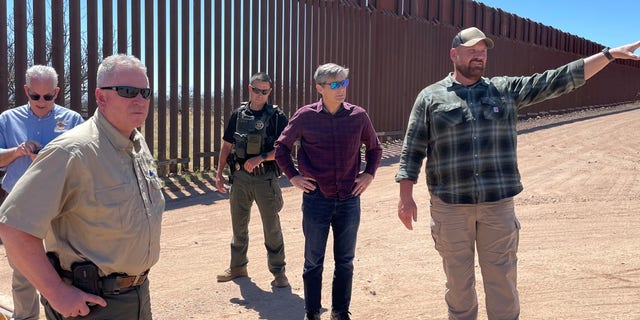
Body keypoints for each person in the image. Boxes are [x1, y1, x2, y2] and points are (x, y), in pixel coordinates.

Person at [396, 27, 640, 320]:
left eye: (483, 51)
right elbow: (412, 149)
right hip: (450, 207)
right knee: (458, 284)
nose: (479, 56)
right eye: (472, 50)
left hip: (497, 206)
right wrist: (405, 197)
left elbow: (558, 79)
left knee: (502, 280)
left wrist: (608, 55)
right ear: (454, 54)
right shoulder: (430, 97)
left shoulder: (504, 90)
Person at [0, 54, 164, 319]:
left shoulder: (137, 144)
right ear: (100, 97)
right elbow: (13, 227)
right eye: (127, 91)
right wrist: (56, 293)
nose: (139, 100)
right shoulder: (72, 151)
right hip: (89, 305)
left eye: (145, 92)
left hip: (136, 295)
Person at [275, 63, 383, 320]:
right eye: (334, 84)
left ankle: (340, 311)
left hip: (348, 199)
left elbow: (375, 148)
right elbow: (281, 148)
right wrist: (294, 176)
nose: (341, 89)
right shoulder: (305, 116)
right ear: (319, 88)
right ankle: (312, 312)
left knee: (345, 261)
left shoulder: (358, 116)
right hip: (316, 200)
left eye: (344, 83)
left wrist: (368, 174)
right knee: (313, 261)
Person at [0, 65, 84, 320]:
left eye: (48, 96)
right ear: (26, 90)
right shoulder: (7, 119)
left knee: (63, 266)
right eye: (35, 96)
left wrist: (52, 155)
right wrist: (18, 151)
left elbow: (84, 161)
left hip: (61, 206)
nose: (41, 101)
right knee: (23, 269)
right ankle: (26, 318)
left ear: (57, 92)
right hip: (20, 206)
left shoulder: (73, 121)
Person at [215, 72, 290, 288]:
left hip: (265, 179)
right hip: (239, 178)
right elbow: (227, 145)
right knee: (238, 224)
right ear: (250, 89)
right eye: (256, 90)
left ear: (270, 92)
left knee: (271, 226)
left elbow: (284, 150)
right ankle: (238, 267)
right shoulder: (238, 114)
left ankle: (278, 272)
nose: (259, 95)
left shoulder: (277, 117)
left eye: (264, 91)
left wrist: (261, 157)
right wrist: (219, 173)